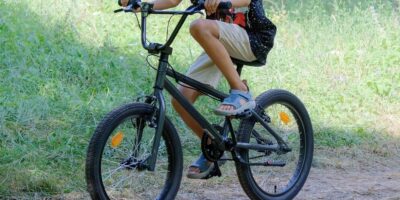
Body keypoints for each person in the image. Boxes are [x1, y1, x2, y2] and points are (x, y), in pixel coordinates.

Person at [120, 0, 276, 179]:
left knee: (198, 27)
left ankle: (240, 90)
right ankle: (213, 146)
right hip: (219, 41)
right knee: (181, 99)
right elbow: (172, 1)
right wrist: (145, 5)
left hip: (252, 38)